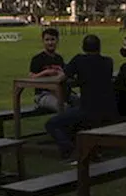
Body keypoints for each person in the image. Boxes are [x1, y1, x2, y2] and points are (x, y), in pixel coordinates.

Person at [45, 34, 115, 162]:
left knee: (52, 124)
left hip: (88, 108)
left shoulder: (79, 60)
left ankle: (71, 150)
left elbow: (61, 78)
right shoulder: (108, 61)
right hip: (108, 108)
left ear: (83, 47)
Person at [28, 27, 69, 113]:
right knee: (63, 107)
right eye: (47, 40)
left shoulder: (59, 58)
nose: (50, 42)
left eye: (52, 39)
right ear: (43, 41)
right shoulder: (37, 59)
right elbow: (31, 77)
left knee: (79, 102)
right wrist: (45, 72)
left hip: (60, 92)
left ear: (57, 41)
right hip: (43, 94)